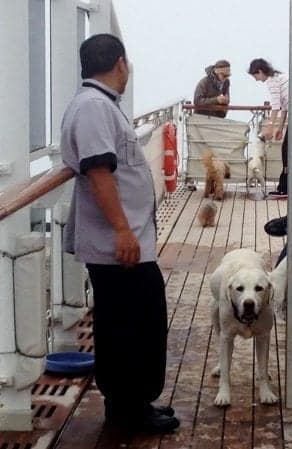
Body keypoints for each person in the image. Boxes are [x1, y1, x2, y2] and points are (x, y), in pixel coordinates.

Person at [60, 33, 179, 435]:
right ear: (121, 64)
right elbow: (98, 171)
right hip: (119, 245)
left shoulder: (99, 105)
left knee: (127, 322)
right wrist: (123, 230)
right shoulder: (95, 107)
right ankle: (129, 411)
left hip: (123, 243)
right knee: (133, 324)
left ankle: (131, 407)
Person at [248, 58, 289, 197]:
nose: (256, 79)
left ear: (260, 71)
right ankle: (284, 187)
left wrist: (271, 127)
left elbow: (276, 105)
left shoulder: (272, 81)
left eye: (255, 76)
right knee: (287, 150)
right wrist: (280, 127)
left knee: (286, 151)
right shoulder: (278, 77)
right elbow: (284, 106)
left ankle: (285, 188)